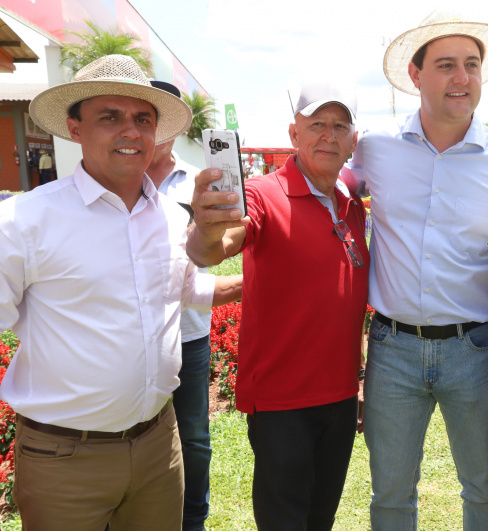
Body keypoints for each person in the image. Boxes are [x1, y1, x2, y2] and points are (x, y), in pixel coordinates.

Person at [0, 54, 243, 530]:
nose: (130, 131)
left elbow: (183, 288)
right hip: (64, 457)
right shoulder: (24, 221)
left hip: (158, 445)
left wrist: (263, 285)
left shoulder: (172, 217)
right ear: (75, 128)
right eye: (109, 117)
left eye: (142, 119)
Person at [342, 11, 488, 530]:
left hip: (476, 350)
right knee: (389, 492)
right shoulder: (374, 147)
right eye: (446, 65)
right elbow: (325, 193)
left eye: (471, 65)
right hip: (393, 349)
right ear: (415, 75)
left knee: (483, 489)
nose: (462, 78)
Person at [187, 82, 369, 529]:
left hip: (340, 396)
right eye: (317, 125)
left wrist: (361, 375)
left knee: (320, 516)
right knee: (284, 519)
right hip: (282, 401)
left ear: (353, 141)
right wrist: (208, 230)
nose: (329, 135)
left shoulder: (352, 206)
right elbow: (217, 246)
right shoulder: (263, 193)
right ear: (294, 134)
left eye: (339, 126)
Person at [143, 79, 214, 531]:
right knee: (131, 436)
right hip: (131, 336)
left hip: (188, 334)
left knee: (193, 437)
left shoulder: (198, 181)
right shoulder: (114, 180)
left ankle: (193, 521)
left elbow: (218, 247)